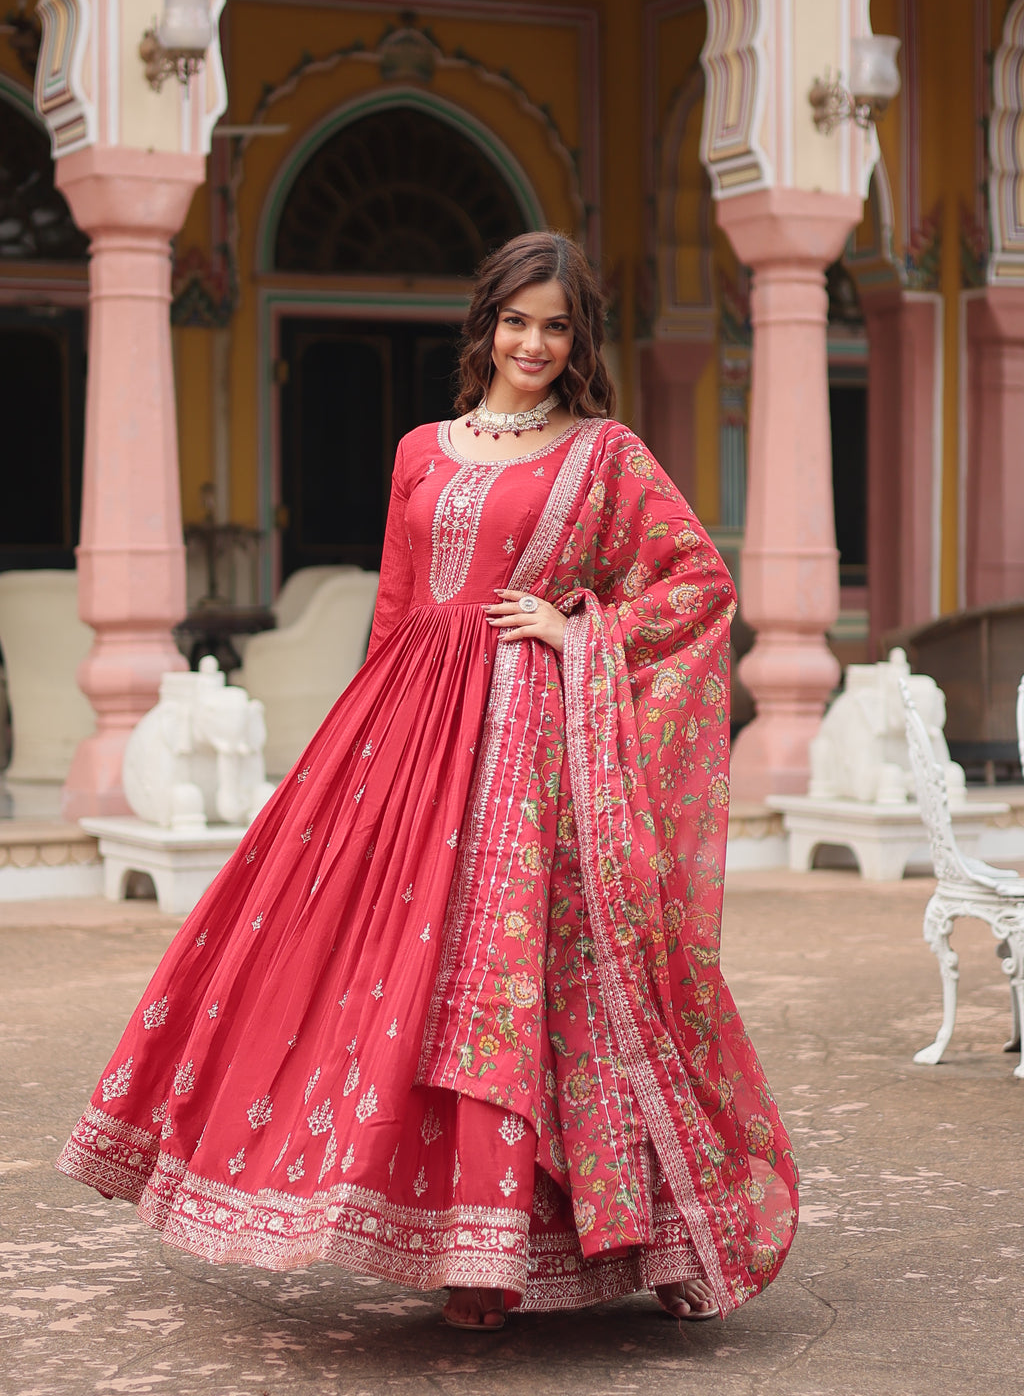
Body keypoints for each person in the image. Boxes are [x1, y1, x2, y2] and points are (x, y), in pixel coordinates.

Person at [57, 231, 797, 1332]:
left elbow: (697, 580)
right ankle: (417, 1223)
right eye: (517, 320)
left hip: (528, 747)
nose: (534, 342)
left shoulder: (604, 454)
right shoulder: (419, 448)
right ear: (484, 325)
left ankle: (497, 1261)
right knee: (374, 967)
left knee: (507, 983)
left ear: (577, 338)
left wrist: (577, 624)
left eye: (555, 324)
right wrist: (360, 753)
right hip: (407, 733)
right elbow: (398, 606)